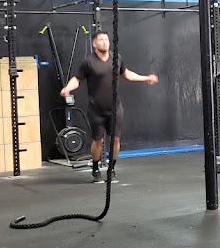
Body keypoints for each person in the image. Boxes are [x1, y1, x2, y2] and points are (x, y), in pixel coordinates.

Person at [60, 30, 158, 183]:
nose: (105, 42)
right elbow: (77, 79)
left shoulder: (116, 58)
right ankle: (95, 169)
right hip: (96, 110)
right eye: (101, 40)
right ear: (94, 44)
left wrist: (145, 78)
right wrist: (68, 88)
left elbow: (127, 74)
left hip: (115, 109)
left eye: (106, 39)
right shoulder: (88, 62)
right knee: (98, 140)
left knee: (116, 140)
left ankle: (111, 170)